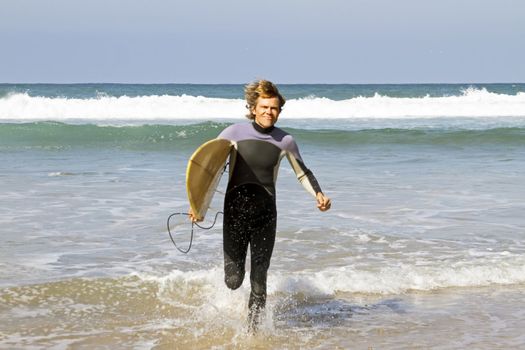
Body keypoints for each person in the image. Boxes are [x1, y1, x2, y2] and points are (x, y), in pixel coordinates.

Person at [190, 79, 331, 330]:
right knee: (233, 280)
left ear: (279, 111)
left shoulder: (285, 141)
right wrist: (198, 206)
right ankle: (234, 291)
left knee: (259, 279)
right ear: (253, 108)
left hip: (266, 215)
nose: (269, 112)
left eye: (274, 108)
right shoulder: (233, 134)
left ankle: (253, 334)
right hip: (235, 214)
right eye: (264, 107)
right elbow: (208, 170)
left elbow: (302, 172)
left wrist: (318, 194)